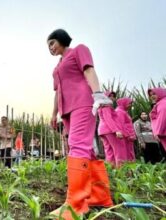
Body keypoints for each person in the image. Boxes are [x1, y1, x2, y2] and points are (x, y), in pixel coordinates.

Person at [47, 29, 113, 219]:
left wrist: (98, 93)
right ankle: (99, 196)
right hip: (67, 110)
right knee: (85, 150)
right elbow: (57, 91)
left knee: (77, 146)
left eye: (52, 43)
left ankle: (75, 205)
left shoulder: (78, 50)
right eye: (48, 46)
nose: (50, 48)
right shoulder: (56, 68)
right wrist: (54, 113)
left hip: (83, 103)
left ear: (61, 39)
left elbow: (88, 69)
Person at [97, 91, 125, 168]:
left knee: (109, 151)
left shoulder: (101, 107)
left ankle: (111, 169)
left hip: (102, 131)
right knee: (118, 149)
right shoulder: (107, 107)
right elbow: (109, 119)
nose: (112, 98)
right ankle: (121, 169)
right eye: (110, 96)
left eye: (113, 96)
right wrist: (116, 130)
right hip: (109, 130)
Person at [115, 97, 136, 162]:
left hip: (127, 136)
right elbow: (121, 125)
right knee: (127, 153)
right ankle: (128, 169)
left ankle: (131, 169)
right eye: (129, 103)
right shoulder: (120, 112)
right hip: (126, 136)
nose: (130, 105)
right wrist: (128, 135)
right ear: (123, 103)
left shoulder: (123, 111)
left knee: (129, 152)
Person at [148, 88, 166, 153]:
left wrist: (157, 132)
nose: (152, 96)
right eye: (150, 95)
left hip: (163, 131)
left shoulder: (162, 104)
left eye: (154, 94)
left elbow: (162, 118)